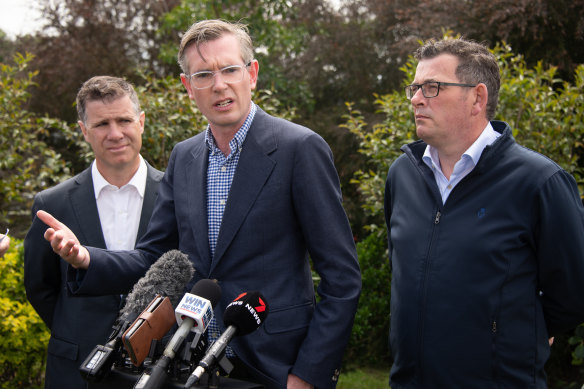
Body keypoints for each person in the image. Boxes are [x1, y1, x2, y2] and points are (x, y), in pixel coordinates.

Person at [37, 20, 362, 389]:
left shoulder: (299, 149)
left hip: (275, 365)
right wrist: (86, 258)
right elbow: (152, 256)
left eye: (230, 69)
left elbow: (342, 278)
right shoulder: (185, 156)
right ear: (188, 87)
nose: (219, 84)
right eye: (204, 74)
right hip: (192, 363)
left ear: (252, 74)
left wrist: (307, 375)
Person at [384, 37, 584, 388]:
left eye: (432, 87)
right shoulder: (402, 174)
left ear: (477, 97)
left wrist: (523, 334)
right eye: (415, 88)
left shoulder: (540, 182)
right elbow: (403, 271)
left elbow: (572, 293)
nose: (416, 98)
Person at [24, 76, 164, 389]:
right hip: (75, 367)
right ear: (84, 131)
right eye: (102, 124)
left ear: (141, 122)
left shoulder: (178, 195)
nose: (115, 134)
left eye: (124, 120)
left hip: (161, 368)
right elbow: (39, 288)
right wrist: (76, 330)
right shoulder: (52, 204)